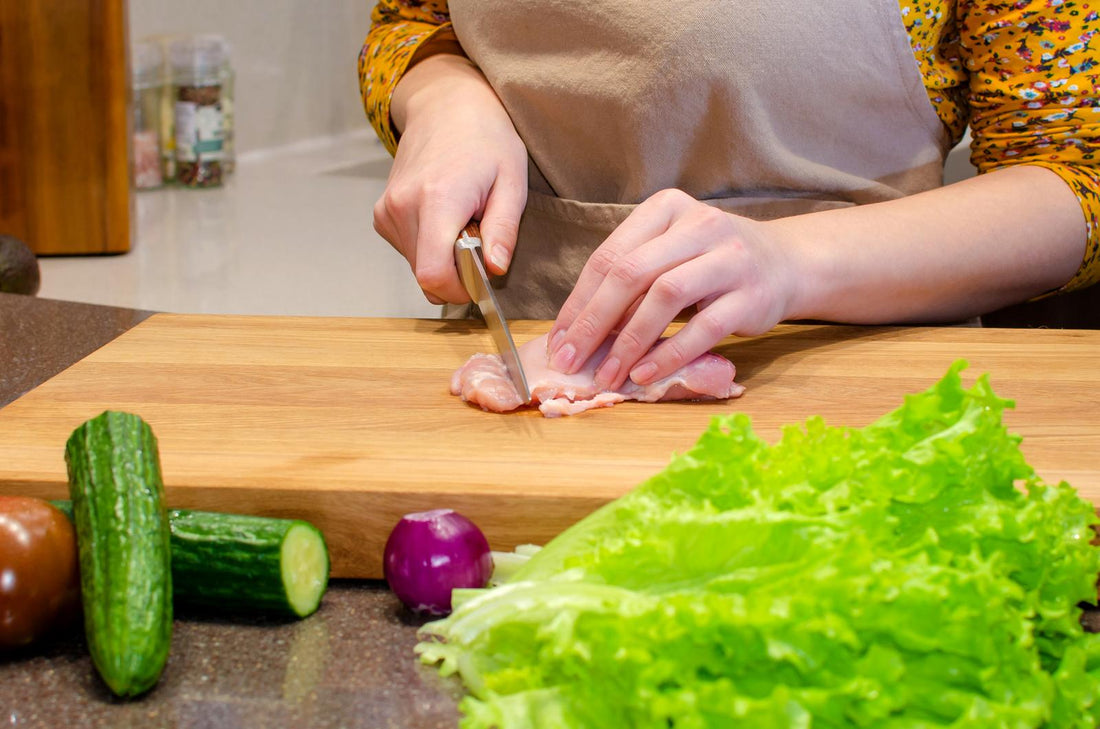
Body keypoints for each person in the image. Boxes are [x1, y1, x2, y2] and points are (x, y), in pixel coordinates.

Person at [359, 1, 1099, 391]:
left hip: (846, 386)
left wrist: (790, 260)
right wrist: (443, 97)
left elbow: (1077, 177)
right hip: (519, 383)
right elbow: (413, 21)